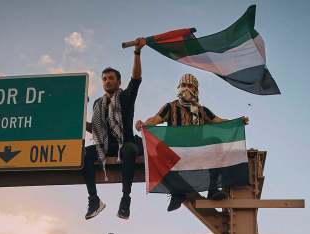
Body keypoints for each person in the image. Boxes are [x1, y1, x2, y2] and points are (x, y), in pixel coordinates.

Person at [136, 73, 249, 212]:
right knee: (158, 148)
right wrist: (144, 124)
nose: (185, 88)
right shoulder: (170, 107)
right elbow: (155, 119)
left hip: (196, 149)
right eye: (183, 85)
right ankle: (177, 192)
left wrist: (237, 122)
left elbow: (219, 122)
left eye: (189, 86)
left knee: (215, 141)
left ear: (195, 89)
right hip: (176, 149)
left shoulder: (201, 110)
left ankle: (213, 189)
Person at [82, 37, 147, 220]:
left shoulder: (126, 97)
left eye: (111, 78)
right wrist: (79, 123)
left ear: (118, 82)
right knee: (85, 154)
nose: (107, 81)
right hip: (106, 146)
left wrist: (137, 52)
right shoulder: (98, 103)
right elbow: (96, 129)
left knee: (129, 150)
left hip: (125, 143)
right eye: (104, 79)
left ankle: (125, 199)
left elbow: (136, 79)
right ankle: (94, 200)